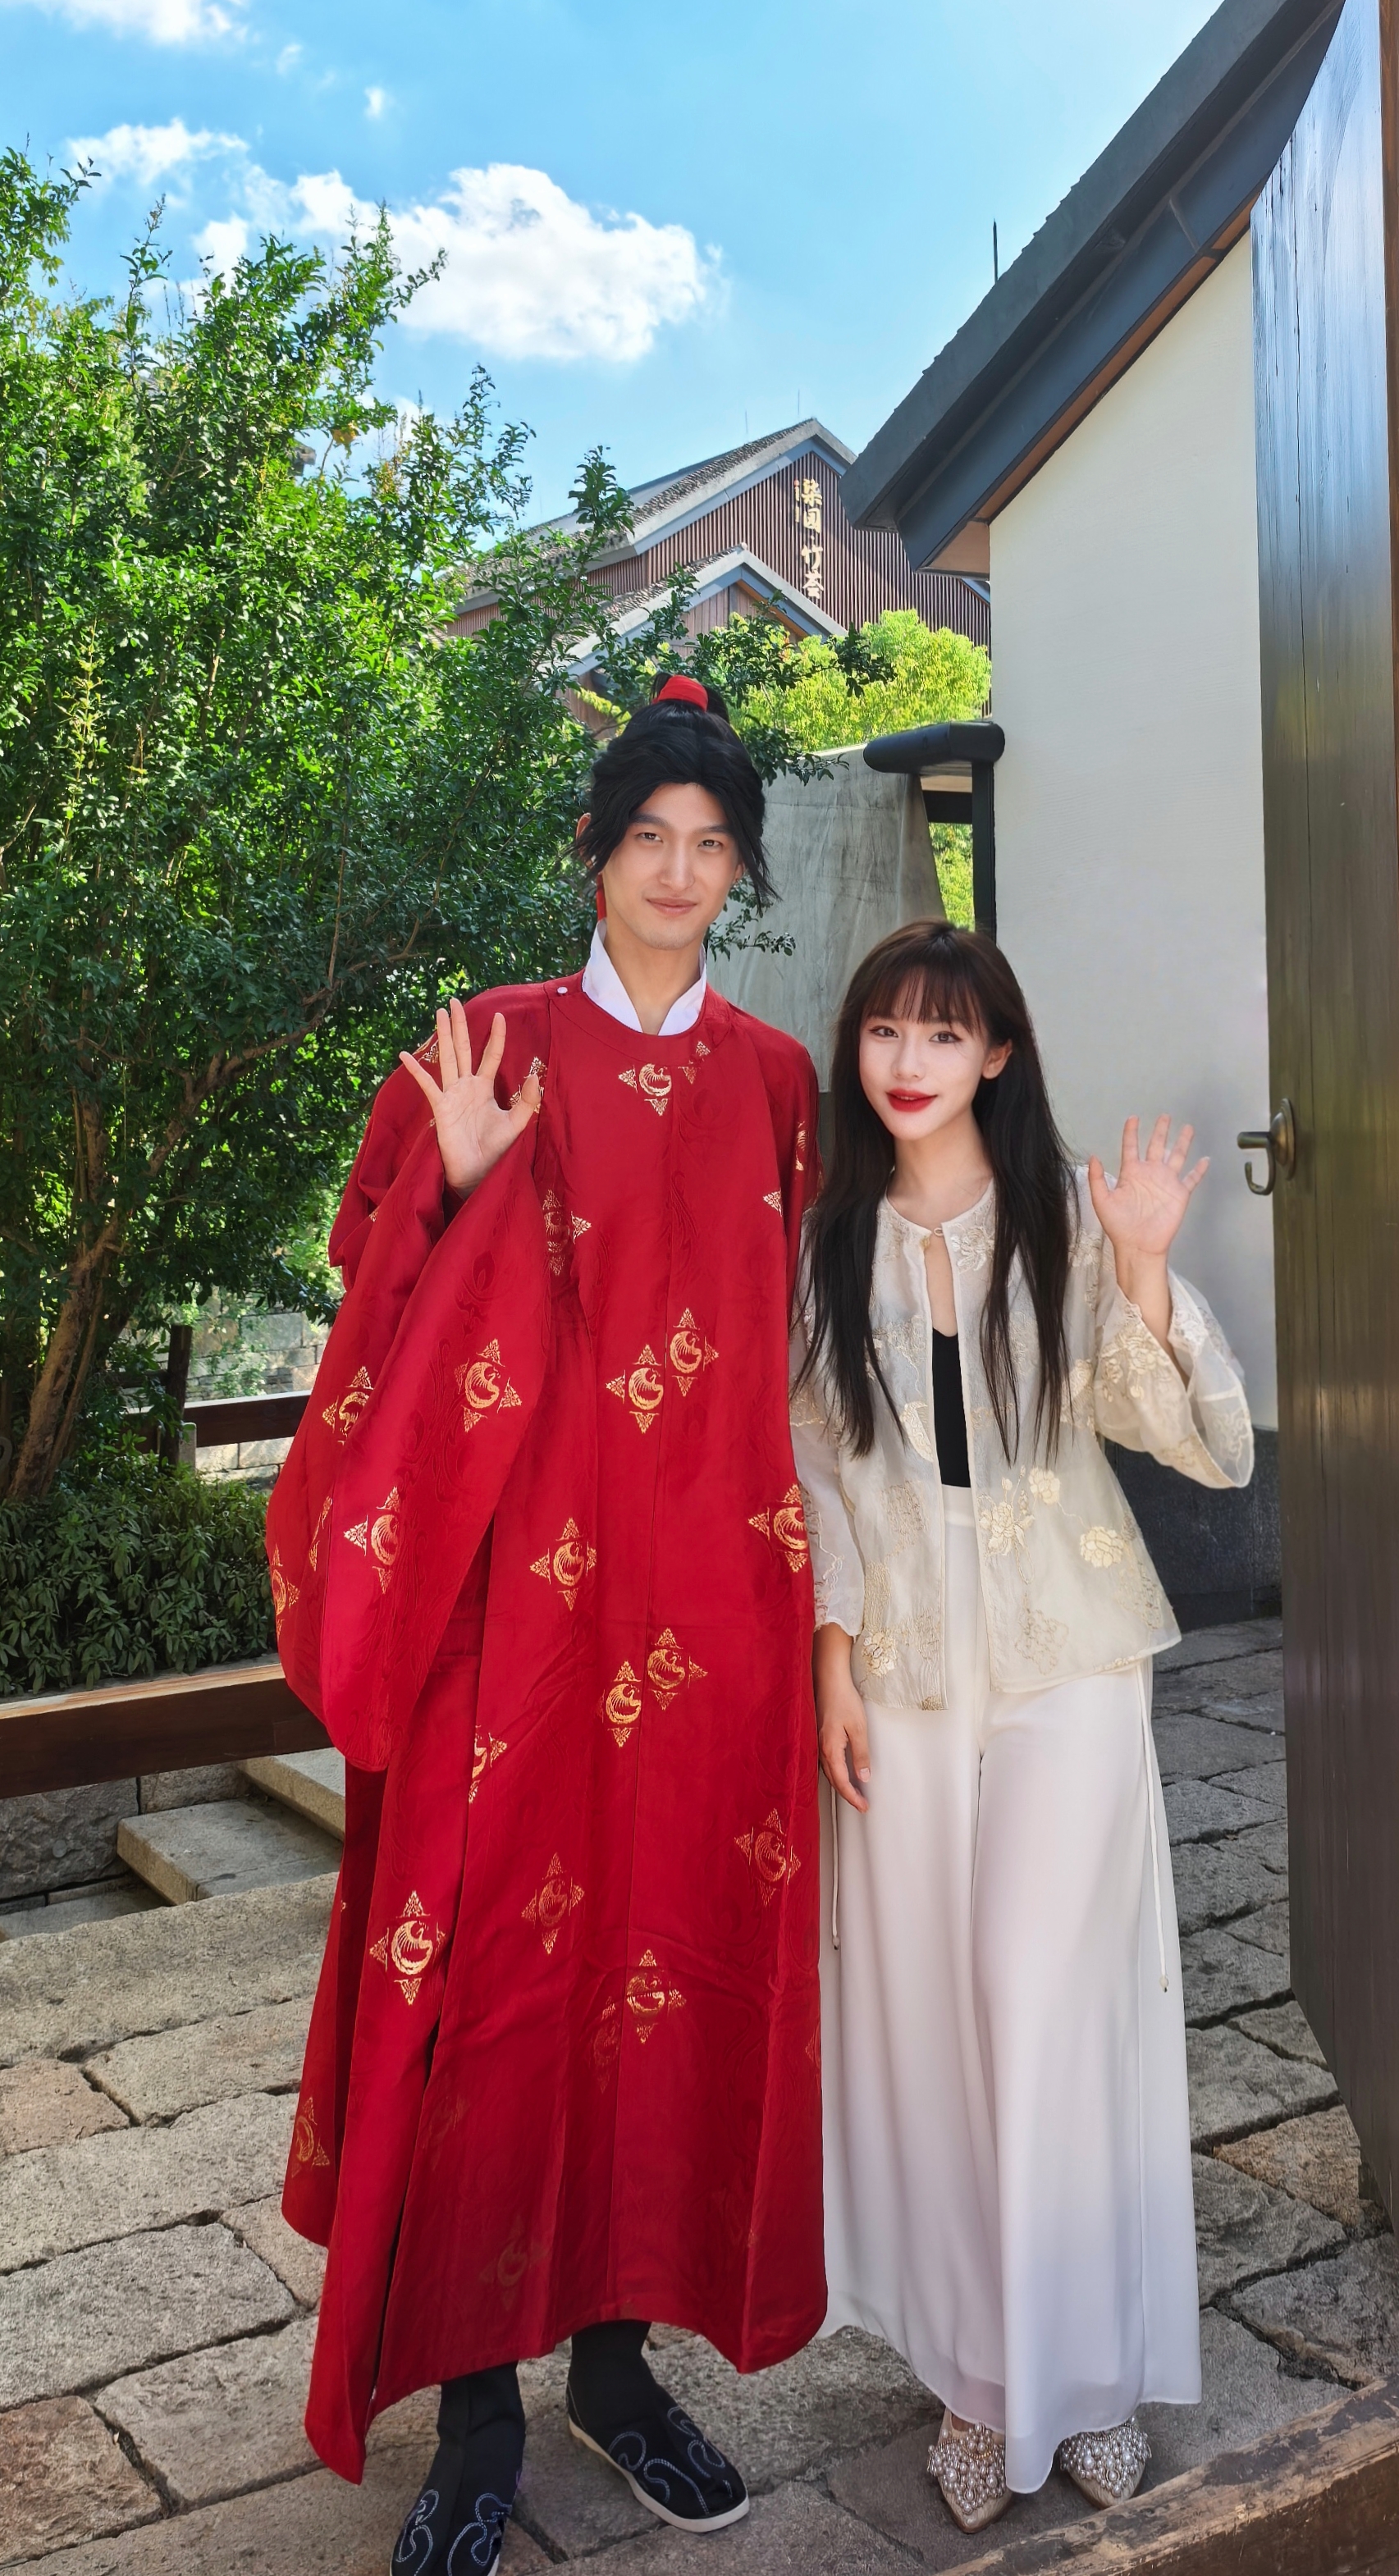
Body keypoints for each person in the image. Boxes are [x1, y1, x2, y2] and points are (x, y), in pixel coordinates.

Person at [267, 674, 825, 2574]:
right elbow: (368, 1313)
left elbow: (793, 1354)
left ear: (737, 874)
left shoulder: (775, 1082)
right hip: (505, 1622)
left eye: (709, 846)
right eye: (645, 837)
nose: (675, 872)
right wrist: (456, 1186)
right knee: (488, 1997)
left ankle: (617, 2366)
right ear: (593, 853)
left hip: (712, 1611)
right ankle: (477, 2416)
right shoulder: (490, 1045)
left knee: (668, 1973)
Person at [790, 919, 1253, 2535]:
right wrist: (831, 1659)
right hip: (905, 1675)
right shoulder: (828, 1237)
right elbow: (818, 1463)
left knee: (1036, 1997)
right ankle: (984, 2380)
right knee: (936, 2015)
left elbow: (1193, 1441)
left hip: (1067, 1660)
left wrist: (1142, 1265)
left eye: (943, 1033)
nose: (908, 1061)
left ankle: (1091, 2373)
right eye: (884, 1031)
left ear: (995, 1053)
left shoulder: (1061, 1213)